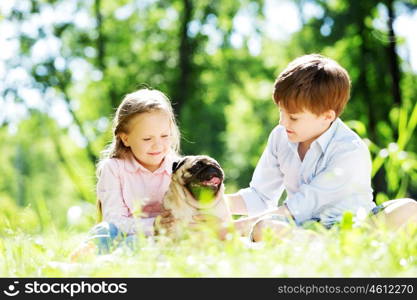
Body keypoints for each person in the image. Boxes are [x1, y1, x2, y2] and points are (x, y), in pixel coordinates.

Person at [226, 54, 417, 241]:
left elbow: (300, 207)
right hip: (303, 227)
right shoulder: (280, 136)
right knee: (264, 227)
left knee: (409, 209)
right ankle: (321, 246)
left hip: (352, 226)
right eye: (281, 111)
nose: (282, 122)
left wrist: (233, 228)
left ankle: (338, 245)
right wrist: (209, 205)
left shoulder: (349, 150)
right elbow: (260, 196)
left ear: (327, 116)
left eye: (293, 117)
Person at [71, 88, 178, 259]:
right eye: (147, 139)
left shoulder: (179, 168)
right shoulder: (114, 169)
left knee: (140, 244)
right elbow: (114, 222)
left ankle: (107, 263)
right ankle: (83, 263)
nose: (158, 145)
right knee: (104, 231)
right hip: (120, 237)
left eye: (164, 136)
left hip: (162, 242)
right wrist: (155, 224)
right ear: (125, 138)